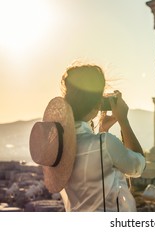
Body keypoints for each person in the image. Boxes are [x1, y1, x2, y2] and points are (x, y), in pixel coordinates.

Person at [58, 63, 146, 211]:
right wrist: (123, 121)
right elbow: (138, 166)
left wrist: (102, 129)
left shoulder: (59, 144)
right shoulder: (105, 143)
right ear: (97, 104)